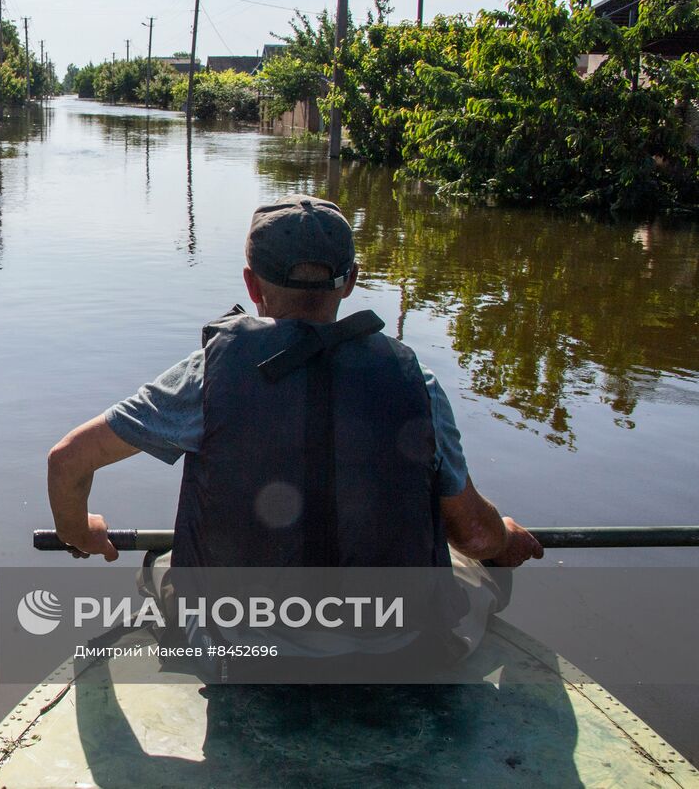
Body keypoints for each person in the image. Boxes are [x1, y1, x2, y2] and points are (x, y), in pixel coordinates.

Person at [46, 195, 543, 659]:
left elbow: (68, 460)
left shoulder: (210, 376)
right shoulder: (416, 382)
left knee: (162, 565)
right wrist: (504, 537)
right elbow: (473, 534)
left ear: (251, 285)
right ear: (350, 281)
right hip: (392, 642)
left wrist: (80, 532)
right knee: (474, 567)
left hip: (238, 641)